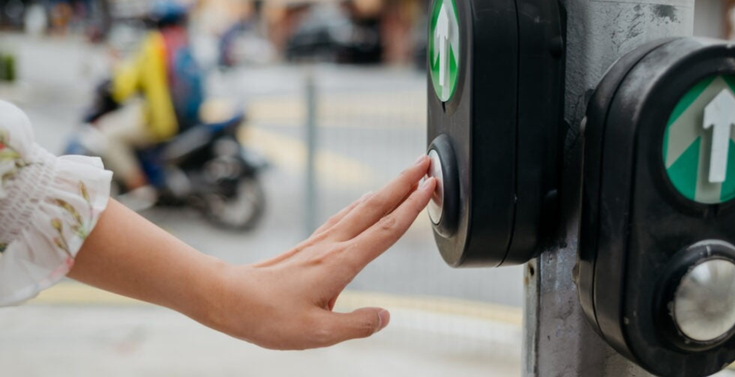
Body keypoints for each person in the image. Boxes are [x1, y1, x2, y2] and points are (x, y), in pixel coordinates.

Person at [0, 99, 437, 349]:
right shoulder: (174, 47)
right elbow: (18, 187)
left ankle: (139, 182)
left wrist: (226, 292)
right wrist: (224, 292)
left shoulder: (157, 46)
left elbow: (18, 188)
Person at [96, 0, 204, 194]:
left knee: (108, 136)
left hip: (159, 121)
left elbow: (123, 87)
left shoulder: (153, 45)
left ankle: (140, 188)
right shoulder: (182, 41)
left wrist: (116, 66)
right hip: (185, 119)